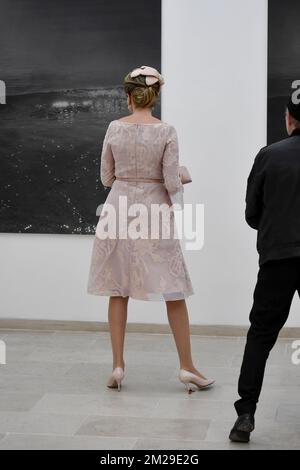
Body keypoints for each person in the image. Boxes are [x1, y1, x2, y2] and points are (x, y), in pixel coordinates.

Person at [87, 65, 214, 393]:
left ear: (129, 97)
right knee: (174, 289)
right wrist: (184, 174)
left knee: (118, 288)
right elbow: (172, 181)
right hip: (153, 211)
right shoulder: (166, 131)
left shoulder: (114, 127)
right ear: (154, 98)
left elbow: (105, 178)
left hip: (119, 209)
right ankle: (187, 366)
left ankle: (117, 365)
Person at [230, 96, 300, 443]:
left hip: (278, 257)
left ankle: (246, 413)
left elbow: (252, 213)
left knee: (260, 335)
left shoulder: (269, 155)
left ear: (290, 118)